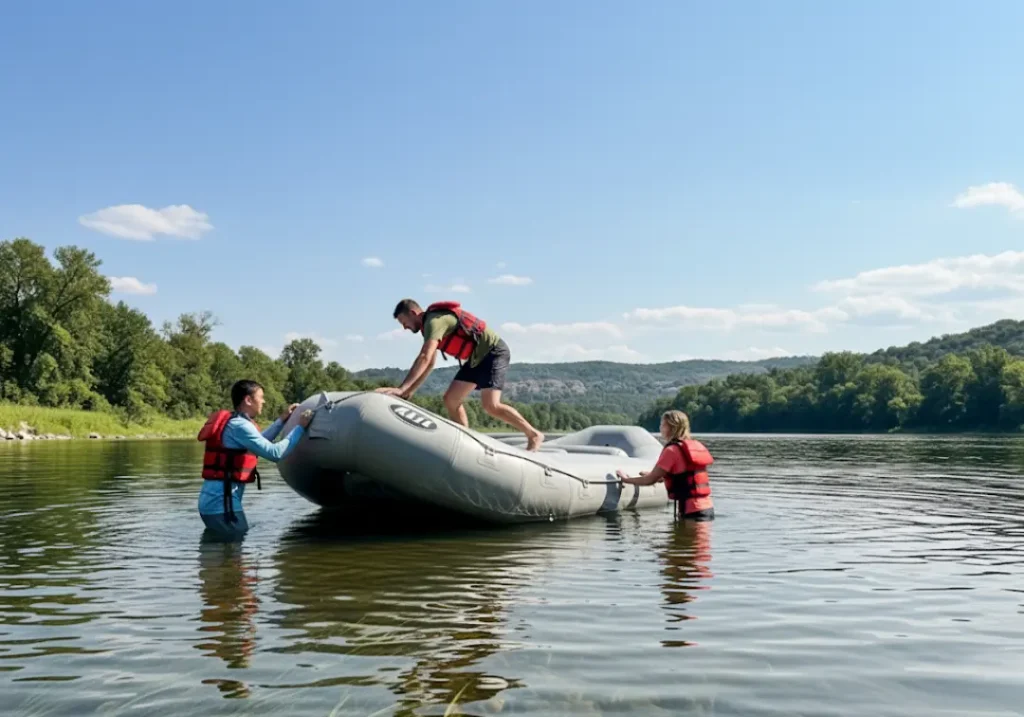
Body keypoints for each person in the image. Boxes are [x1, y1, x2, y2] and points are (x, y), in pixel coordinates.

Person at [375, 298, 545, 451]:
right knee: (451, 399)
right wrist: (408, 393)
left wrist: (401, 388)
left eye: (404, 322)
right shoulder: (428, 328)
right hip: (476, 358)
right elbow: (430, 363)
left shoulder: (435, 321)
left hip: (493, 352)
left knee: (491, 405)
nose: (405, 328)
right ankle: (467, 441)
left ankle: (533, 434)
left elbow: (424, 357)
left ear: (413, 313)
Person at [197, 379, 312, 536]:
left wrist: (281, 420)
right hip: (221, 505)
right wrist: (300, 427)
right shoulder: (240, 426)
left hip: (214, 504)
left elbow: (260, 441)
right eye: (261, 397)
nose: (263, 401)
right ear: (248, 400)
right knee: (237, 550)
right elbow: (275, 453)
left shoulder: (235, 422)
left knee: (226, 554)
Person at [616, 410, 715, 521]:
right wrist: (661, 477)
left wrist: (626, 479)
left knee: (684, 538)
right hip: (707, 508)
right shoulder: (695, 446)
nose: (660, 428)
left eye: (663, 425)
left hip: (692, 512)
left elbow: (649, 480)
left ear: (672, 428)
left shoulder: (671, 450)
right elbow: (685, 475)